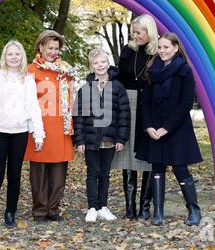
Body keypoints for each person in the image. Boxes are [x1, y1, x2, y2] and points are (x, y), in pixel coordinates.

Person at [136, 32, 203, 226]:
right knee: (157, 168)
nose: (162, 51)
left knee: (181, 169)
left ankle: (193, 211)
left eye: (166, 47)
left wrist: (166, 128)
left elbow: (185, 104)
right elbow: (145, 103)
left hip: (176, 128)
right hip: (154, 128)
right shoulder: (151, 71)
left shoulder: (185, 71)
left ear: (175, 48)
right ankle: (158, 213)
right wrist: (148, 126)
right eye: (160, 47)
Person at [0, 40, 45, 229]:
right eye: (10, 54)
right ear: (5, 56)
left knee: (15, 174)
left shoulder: (27, 79)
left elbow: (33, 107)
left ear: (22, 57)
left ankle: (10, 213)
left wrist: (39, 134)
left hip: (20, 132)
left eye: (17, 54)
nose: (13, 57)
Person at [24, 30, 76, 222]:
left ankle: (53, 209)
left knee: (58, 172)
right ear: (41, 47)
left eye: (56, 48)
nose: (53, 52)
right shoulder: (29, 70)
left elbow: (71, 99)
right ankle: (39, 210)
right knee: (39, 172)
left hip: (61, 127)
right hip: (40, 127)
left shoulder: (66, 71)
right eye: (50, 48)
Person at [73, 49, 131, 223]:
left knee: (105, 174)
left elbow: (124, 114)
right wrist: (79, 140)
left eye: (103, 62)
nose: (100, 65)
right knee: (92, 173)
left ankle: (103, 207)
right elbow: (79, 116)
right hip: (90, 140)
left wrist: (121, 138)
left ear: (108, 63)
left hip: (109, 139)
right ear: (91, 66)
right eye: (96, 63)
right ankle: (92, 207)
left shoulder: (118, 87)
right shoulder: (85, 89)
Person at [112, 14, 158, 220]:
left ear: (149, 32)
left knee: (148, 155)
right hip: (129, 102)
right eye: (134, 32)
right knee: (128, 155)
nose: (135, 35)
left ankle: (145, 207)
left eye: (139, 32)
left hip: (150, 104)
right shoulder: (128, 50)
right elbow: (120, 77)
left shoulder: (158, 53)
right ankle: (129, 206)